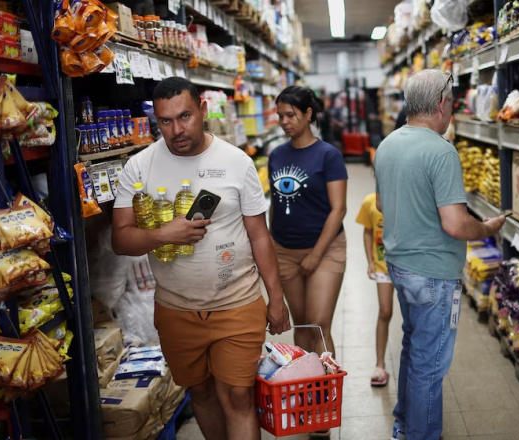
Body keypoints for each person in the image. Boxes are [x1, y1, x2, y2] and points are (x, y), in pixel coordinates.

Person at [111, 77, 291, 440]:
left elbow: (259, 234)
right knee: (202, 391)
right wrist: (164, 235)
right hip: (176, 309)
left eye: (185, 116)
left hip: (237, 302)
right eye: (165, 121)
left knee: (238, 395)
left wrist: (276, 298)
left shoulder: (236, 162)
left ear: (203, 110)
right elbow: (120, 239)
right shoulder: (138, 167)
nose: (176, 130)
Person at [374, 69, 507, 440]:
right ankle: (419, 435)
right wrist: (486, 229)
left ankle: (404, 422)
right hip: (432, 273)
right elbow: (454, 224)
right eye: (451, 101)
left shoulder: (388, 144)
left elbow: (384, 204)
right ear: (440, 104)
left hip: (400, 266)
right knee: (429, 364)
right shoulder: (440, 151)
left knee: (412, 345)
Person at [268, 85, 348, 360]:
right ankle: (305, 392)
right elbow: (275, 204)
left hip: (325, 250)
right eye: (280, 116)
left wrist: (315, 256)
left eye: (290, 115)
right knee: (301, 325)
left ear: (308, 113)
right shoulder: (276, 155)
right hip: (285, 251)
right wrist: (270, 244)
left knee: (319, 326)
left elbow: (338, 210)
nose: (284, 122)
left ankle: (327, 395)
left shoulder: (329, 155)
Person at [355, 191, 393, 387]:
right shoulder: (370, 201)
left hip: (410, 265)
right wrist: (370, 261)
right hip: (382, 266)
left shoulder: (408, 198)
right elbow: (368, 231)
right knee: (385, 311)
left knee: (413, 316)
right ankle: (380, 364)